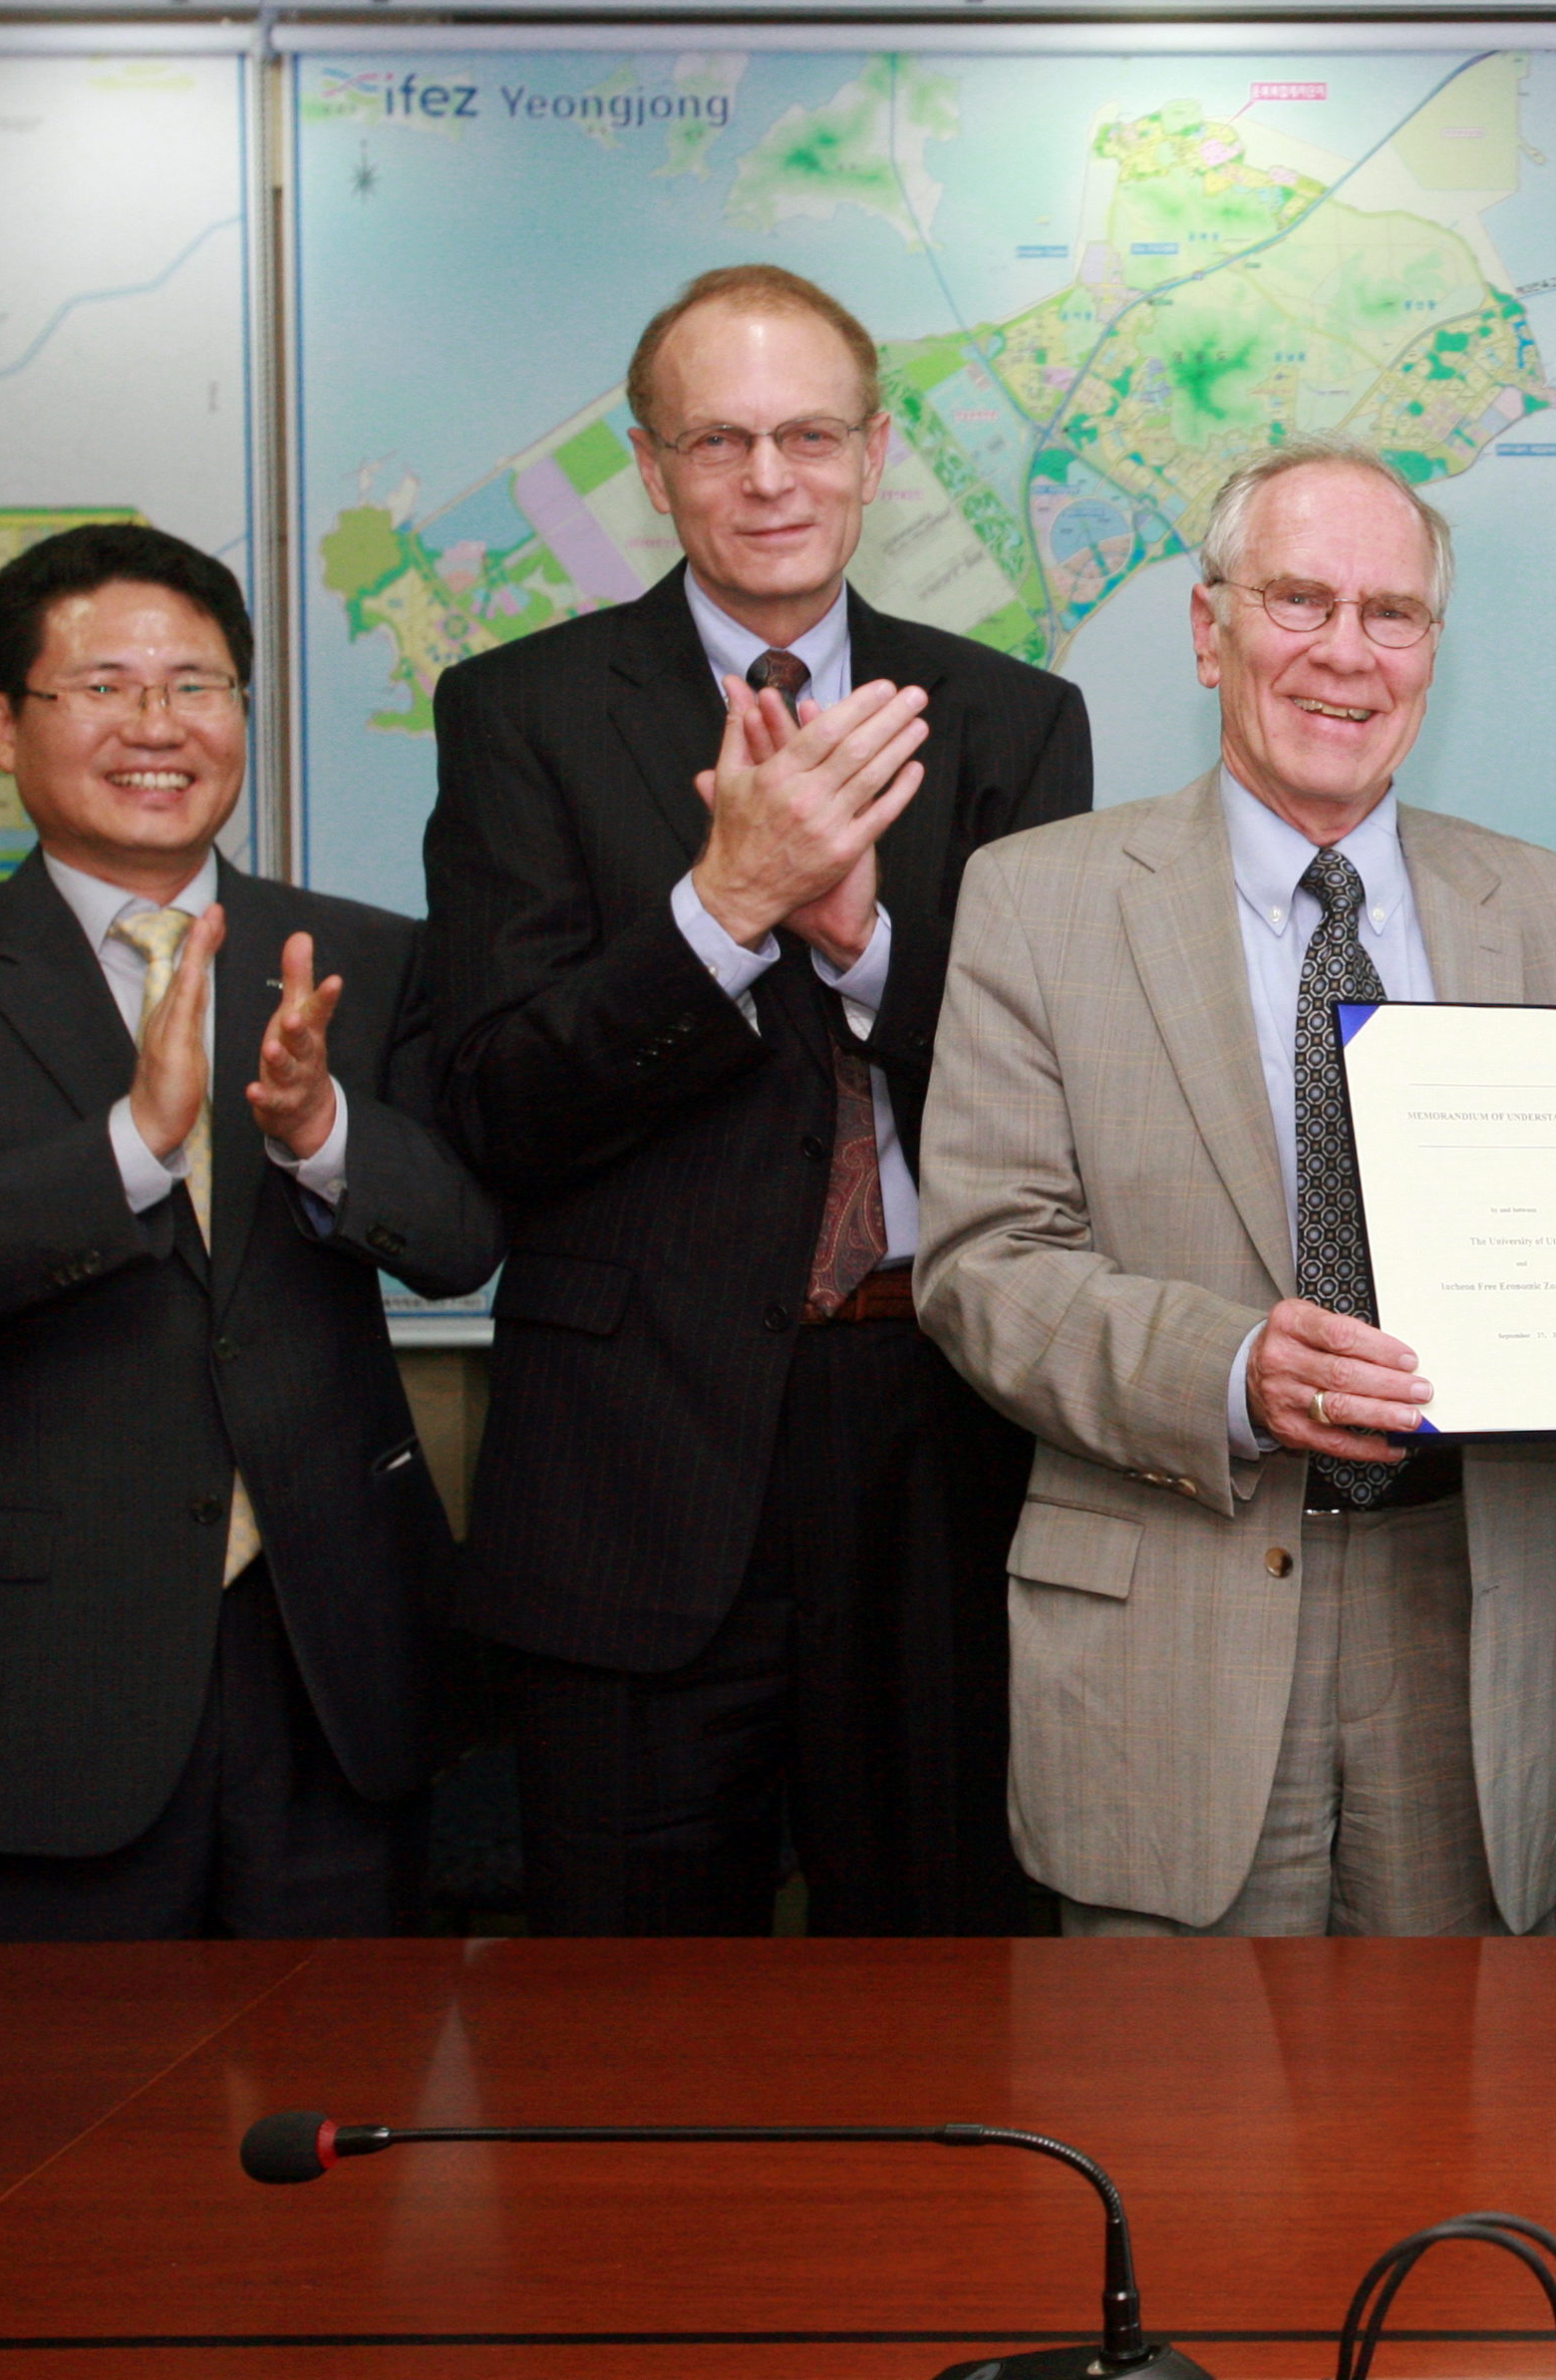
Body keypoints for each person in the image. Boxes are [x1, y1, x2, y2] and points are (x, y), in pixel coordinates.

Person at [423, 263, 1091, 1936]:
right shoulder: (521, 715)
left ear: (876, 454)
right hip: (632, 1467)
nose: (770, 478)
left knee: (946, 1999)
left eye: (807, 433)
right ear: (650, 472)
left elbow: (1060, 1091)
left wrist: (855, 930)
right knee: (632, 2036)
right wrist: (721, 907)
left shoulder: (1009, 719)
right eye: (718, 441)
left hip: (935, 1435)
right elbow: (497, 1106)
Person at [917, 439, 1556, 1936]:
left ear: (1431, 649)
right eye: (1298, 599)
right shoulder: (1037, 899)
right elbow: (983, 1260)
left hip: (1472, 1616)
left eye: (1392, 614)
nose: (1345, 655)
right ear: (1206, 626)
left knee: (1470, 2133)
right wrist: (1231, 1366)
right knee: (1182, 2144)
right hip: (1170, 1620)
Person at [0, 520, 501, 1939]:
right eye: (105, 686)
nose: (158, 725)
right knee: (40, 2138)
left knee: (336, 2115)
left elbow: (460, 1236)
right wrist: (132, 1143)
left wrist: (316, 1130)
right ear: (3, 725)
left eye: (199, 685)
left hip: (334, 1663)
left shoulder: (365, 955)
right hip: (43, 1677)